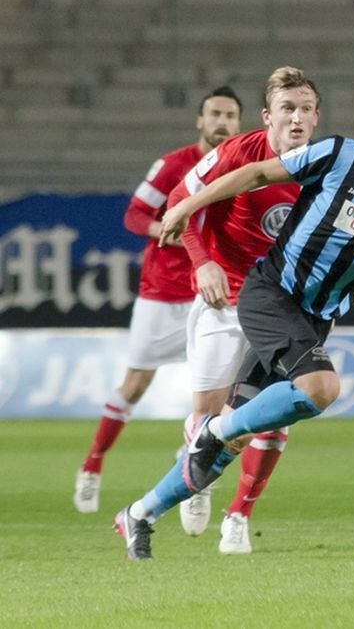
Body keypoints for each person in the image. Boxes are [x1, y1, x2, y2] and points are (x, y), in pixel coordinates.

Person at [113, 93, 354, 559]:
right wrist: (188, 206)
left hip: (315, 317)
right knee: (321, 388)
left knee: (231, 444)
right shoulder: (340, 153)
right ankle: (215, 430)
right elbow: (257, 173)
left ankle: (139, 513)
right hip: (272, 294)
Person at [170, 66, 322, 552]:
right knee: (207, 414)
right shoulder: (238, 153)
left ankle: (239, 516)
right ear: (267, 116)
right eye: (287, 109)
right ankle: (199, 473)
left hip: (279, 307)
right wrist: (203, 263)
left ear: (316, 117)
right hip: (225, 299)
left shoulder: (327, 166)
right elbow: (180, 198)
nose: (296, 118)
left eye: (305, 109)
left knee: (274, 417)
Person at [72, 85, 243, 514]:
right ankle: (92, 465)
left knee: (220, 397)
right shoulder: (173, 166)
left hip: (217, 294)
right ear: (200, 120)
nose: (222, 122)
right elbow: (134, 215)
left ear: (240, 122)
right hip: (164, 292)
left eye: (230, 115)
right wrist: (167, 229)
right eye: (215, 114)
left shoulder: (243, 165)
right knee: (135, 384)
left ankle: (194, 478)